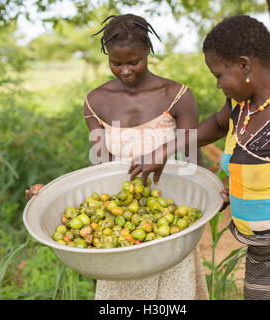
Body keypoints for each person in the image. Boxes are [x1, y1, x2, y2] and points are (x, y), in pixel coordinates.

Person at [129, 15, 270, 300]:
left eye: (219, 74)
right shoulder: (240, 105)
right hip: (260, 254)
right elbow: (218, 126)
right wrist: (163, 151)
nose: (219, 84)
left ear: (245, 64)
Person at [26, 14, 209, 300]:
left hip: (172, 223)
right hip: (120, 228)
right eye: (116, 63)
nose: (125, 71)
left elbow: (193, 157)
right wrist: (50, 193)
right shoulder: (96, 102)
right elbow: (100, 164)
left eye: (133, 61)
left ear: (147, 50)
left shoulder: (176, 95)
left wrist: (204, 202)